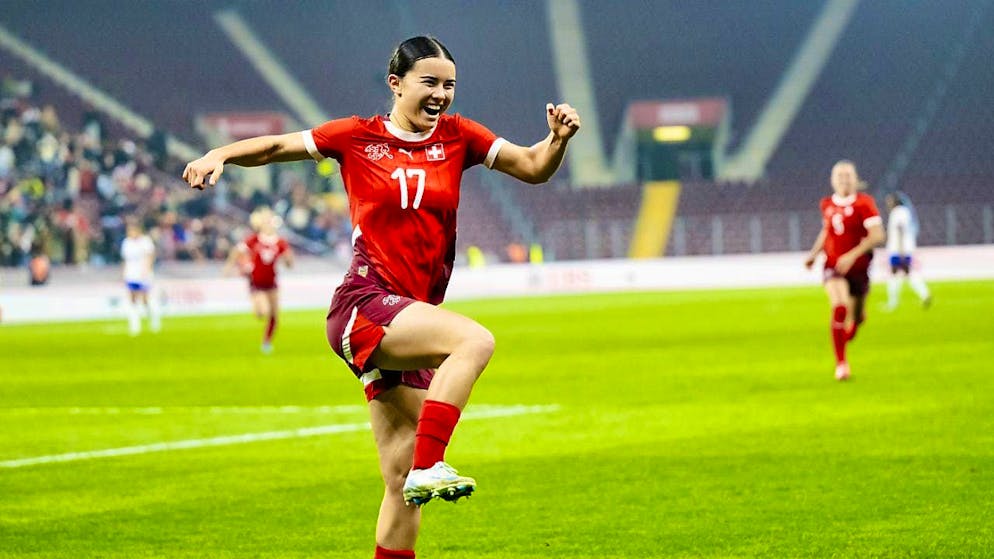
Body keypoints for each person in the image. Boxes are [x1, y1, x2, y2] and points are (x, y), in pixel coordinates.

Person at [182, 36, 580, 559]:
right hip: (364, 303)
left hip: (409, 315)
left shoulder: (460, 137)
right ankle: (431, 463)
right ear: (396, 84)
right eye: (430, 83)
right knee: (473, 342)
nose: (442, 94)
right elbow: (279, 147)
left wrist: (557, 140)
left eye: (450, 85)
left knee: (400, 485)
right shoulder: (357, 137)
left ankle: (421, 470)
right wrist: (221, 154)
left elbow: (532, 166)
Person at [804, 160, 885, 381]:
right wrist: (813, 255)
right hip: (833, 265)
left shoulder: (864, 204)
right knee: (839, 308)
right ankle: (841, 364)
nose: (844, 179)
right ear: (833, 180)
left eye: (847, 175)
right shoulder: (827, 204)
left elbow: (878, 235)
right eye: (839, 176)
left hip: (859, 268)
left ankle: (850, 329)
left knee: (856, 317)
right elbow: (827, 232)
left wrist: (852, 255)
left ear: (855, 179)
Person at [225, 207, 294, 354]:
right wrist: (231, 267)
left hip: (271, 282)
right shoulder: (254, 239)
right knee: (263, 312)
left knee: (274, 315)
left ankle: (266, 342)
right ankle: (257, 307)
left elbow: (289, 263)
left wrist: (288, 260)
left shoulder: (280, 242)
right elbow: (237, 252)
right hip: (256, 282)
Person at [884, 191, 931, 310]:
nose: (888, 203)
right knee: (908, 273)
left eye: (890, 200)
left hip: (898, 249)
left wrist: (900, 250)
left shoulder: (898, 212)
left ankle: (893, 303)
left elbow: (900, 229)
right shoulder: (905, 212)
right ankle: (925, 294)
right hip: (905, 248)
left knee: (895, 274)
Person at [120, 221, 161, 335]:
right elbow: (124, 259)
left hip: (143, 274)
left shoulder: (145, 241)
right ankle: (135, 325)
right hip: (131, 274)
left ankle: (154, 320)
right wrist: (123, 273)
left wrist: (147, 269)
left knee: (145, 299)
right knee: (132, 298)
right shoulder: (126, 242)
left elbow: (150, 256)